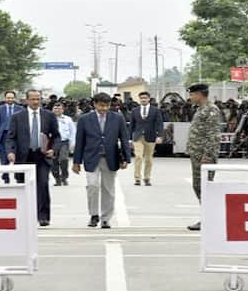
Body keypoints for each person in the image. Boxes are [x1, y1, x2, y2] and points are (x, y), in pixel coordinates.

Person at [73, 92, 132, 229]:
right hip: (91, 158)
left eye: (107, 105)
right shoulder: (84, 119)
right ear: (94, 104)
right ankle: (94, 215)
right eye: (101, 105)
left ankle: (106, 218)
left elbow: (124, 138)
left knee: (108, 189)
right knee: (92, 186)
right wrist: (76, 162)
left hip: (110, 158)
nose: (104, 108)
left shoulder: (117, 118)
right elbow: (79, 141)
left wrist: (126, 158)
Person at [6, 90, 59, 226]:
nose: (36, 102)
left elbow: (56, 136)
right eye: (33, 99)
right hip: (24, 156)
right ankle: (25, 215)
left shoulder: (49, 116)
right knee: (23, 187)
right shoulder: (17, 117)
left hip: (42, 156)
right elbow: (11, 137)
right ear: (26, 100)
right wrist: (11, 152)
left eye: (38, 99)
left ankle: (43, 217)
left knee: (42, 185)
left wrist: (53, 149)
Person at [185, 84, 221, 231]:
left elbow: (213, 135)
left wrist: (208, 155)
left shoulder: (211, 110)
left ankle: (208, 219)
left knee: (204, 187)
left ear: (200, 94)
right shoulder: (200, 109)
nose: (190, 97)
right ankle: (207, 217)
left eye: (192, 94)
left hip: (204, 156)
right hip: (197, 154)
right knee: (198, 187)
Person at [129, 91, 164, 186]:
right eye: (141, 98)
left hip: (151, 137)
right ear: (139, 99)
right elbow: (131, 125)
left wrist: (160, 136)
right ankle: (137, 178)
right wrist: (129, 138)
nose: (143, 99)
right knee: (138, 156)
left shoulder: (155, 110)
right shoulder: (135, 110)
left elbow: (159, 124)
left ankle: (147, 178)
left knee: (148, 159)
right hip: (138, 136)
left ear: (149, 99)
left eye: (145, 98)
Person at [0, 91, 23, 184]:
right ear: (5, 98)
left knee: (17, 156)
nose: (10, 99)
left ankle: (18, 176)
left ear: (14, 98)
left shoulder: (20, 108)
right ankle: (5, 176)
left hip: (16, 136)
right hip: (3, 135)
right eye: (8, 98)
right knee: (4, 157)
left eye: (12, 98)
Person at [52, 102, 76, 186]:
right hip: (52, 143)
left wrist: (72, 143)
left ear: (62, 110)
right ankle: (57, 179)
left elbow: (73, 132)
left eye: (59, 109)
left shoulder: (68, 119)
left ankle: (64, 177)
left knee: (63, 160)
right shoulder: (49, 119)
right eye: (55, 108)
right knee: (53, 162)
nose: (57, 110)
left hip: (64, 142)